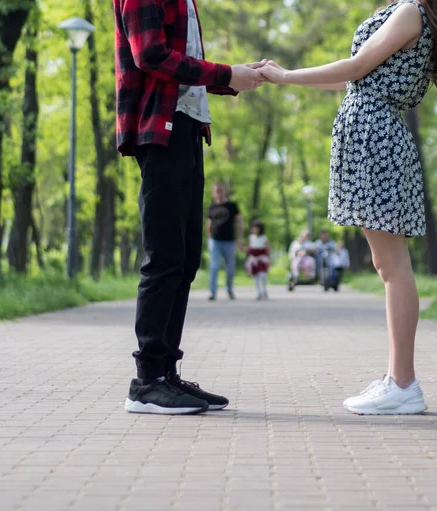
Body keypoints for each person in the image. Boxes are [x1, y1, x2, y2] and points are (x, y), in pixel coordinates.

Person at [260, 0, 437, 415]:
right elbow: (357, 73)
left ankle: (404, 383)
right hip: (371, 135)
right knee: (388, 266)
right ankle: (397, 379)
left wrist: (285, 76)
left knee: (393, 267)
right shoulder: (410, 12)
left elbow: (354, 68)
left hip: (375, 138)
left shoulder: (409, 12)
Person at [114, 0, 266, 415]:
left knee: (184, 260)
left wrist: (234, 77)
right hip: (159, 128)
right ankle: (146, 383)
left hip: (186, 127)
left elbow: (184, 64)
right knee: (164, 257)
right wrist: (225, 73)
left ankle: (166, 375)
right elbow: (150, 56)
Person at [206, 183, 243, 301]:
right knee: (214, 266)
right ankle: (212, 292)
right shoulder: (212, 206)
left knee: (230, 268)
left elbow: (240, 222)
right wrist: (209, 238)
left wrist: (240, 238)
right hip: (215, 241)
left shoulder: (232, 205)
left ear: (224, 191)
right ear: (213, 192)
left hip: (229, 241)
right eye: (216, 191)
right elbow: (209, 223)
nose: (218, 193)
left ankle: (229, 289)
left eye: (220, 190)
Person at [244, 220, 271, 301]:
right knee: (255, 277)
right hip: (254, 258)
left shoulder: (264, 238)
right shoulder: (251, 238)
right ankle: (258, 292)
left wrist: (269, 259)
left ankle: (264, 290)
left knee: (262, 275)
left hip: (261, 258)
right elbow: (249, 248)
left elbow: (268, 249)